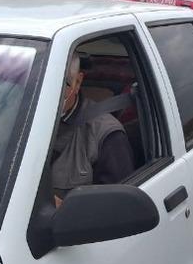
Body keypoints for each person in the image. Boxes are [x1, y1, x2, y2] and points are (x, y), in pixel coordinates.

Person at [51, 52, 136, 204]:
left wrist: (61, 209)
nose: (47, 95)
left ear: (77, 82)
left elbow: (118, 207)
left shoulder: (106, 135)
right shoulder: (9, 118)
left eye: (59, 85)